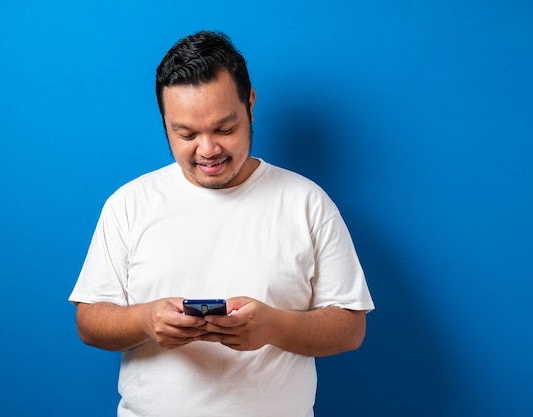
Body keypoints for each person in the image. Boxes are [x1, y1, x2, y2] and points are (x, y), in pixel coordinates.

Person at [69, 30, 374, 417]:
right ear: (165, 121)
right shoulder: (129, 203)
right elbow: (89, 321)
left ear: (250, 103)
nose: (208, 150)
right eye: (186, 134)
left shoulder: (307, 202)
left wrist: (273, 327)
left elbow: (350, 327)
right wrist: (146, 320)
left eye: (224, 129)